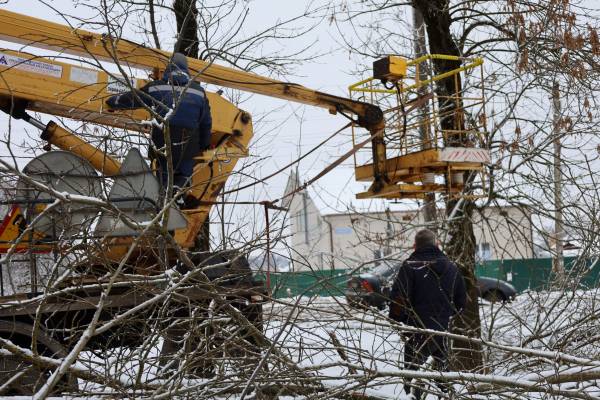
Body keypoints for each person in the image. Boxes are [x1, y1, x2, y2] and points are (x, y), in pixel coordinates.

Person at [105, 52, 212, 195]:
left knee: (164, 169)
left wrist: (114, 102)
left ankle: (165, 192)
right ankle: (179, 190)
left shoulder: (157, 87)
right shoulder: (199, 92)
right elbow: (206, 122)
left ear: (168, 69)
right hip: (188, 139)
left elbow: (135, 98)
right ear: (186, 70)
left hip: (163, 136)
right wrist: (204, 144)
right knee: (186, 168)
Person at [389, 229, 466, 396]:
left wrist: (398, 322)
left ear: (414, 246)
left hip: (416, 333)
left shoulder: (410, 266)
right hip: (442, 331)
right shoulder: (451, 267)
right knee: (443, 380)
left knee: (413, 381)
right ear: (437, 244)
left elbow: (398, 301)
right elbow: (461, 303)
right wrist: (445, 316)